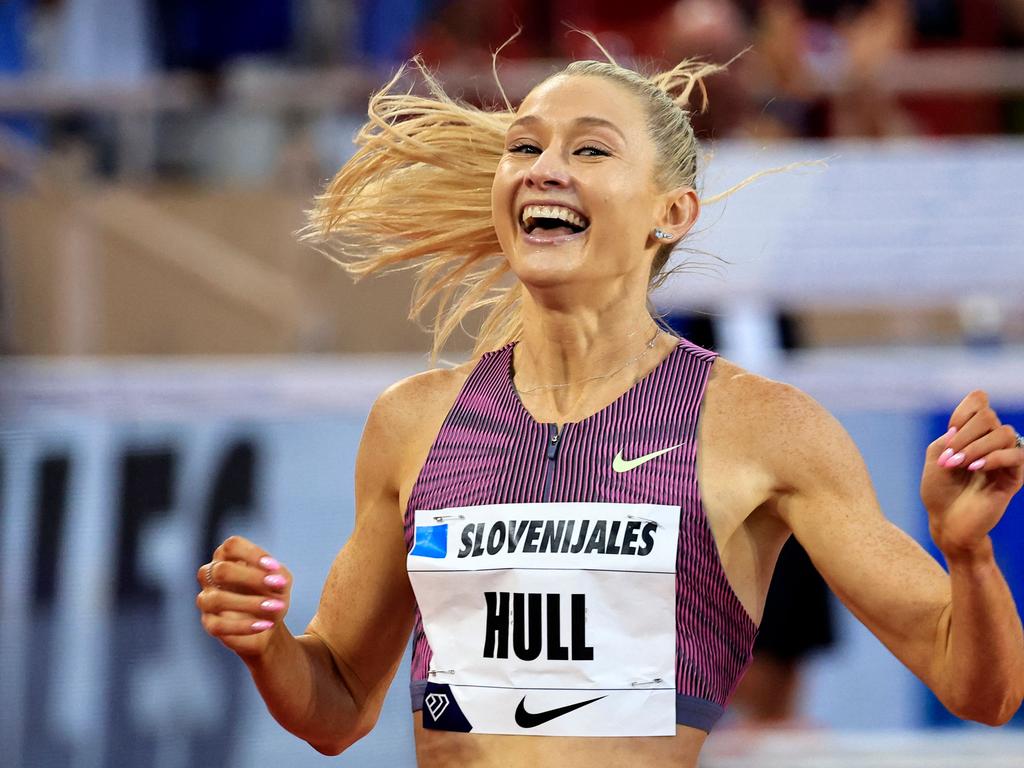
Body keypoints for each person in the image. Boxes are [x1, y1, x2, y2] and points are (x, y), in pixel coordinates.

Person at [195, 46, 1024, 767]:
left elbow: (978, 690)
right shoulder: (412, 424)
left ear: (672, 213)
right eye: (524, 146)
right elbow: (335, 704)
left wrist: (970, 558)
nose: (543, 168)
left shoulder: (762, 428)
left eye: (590, 150)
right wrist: (266, 644)